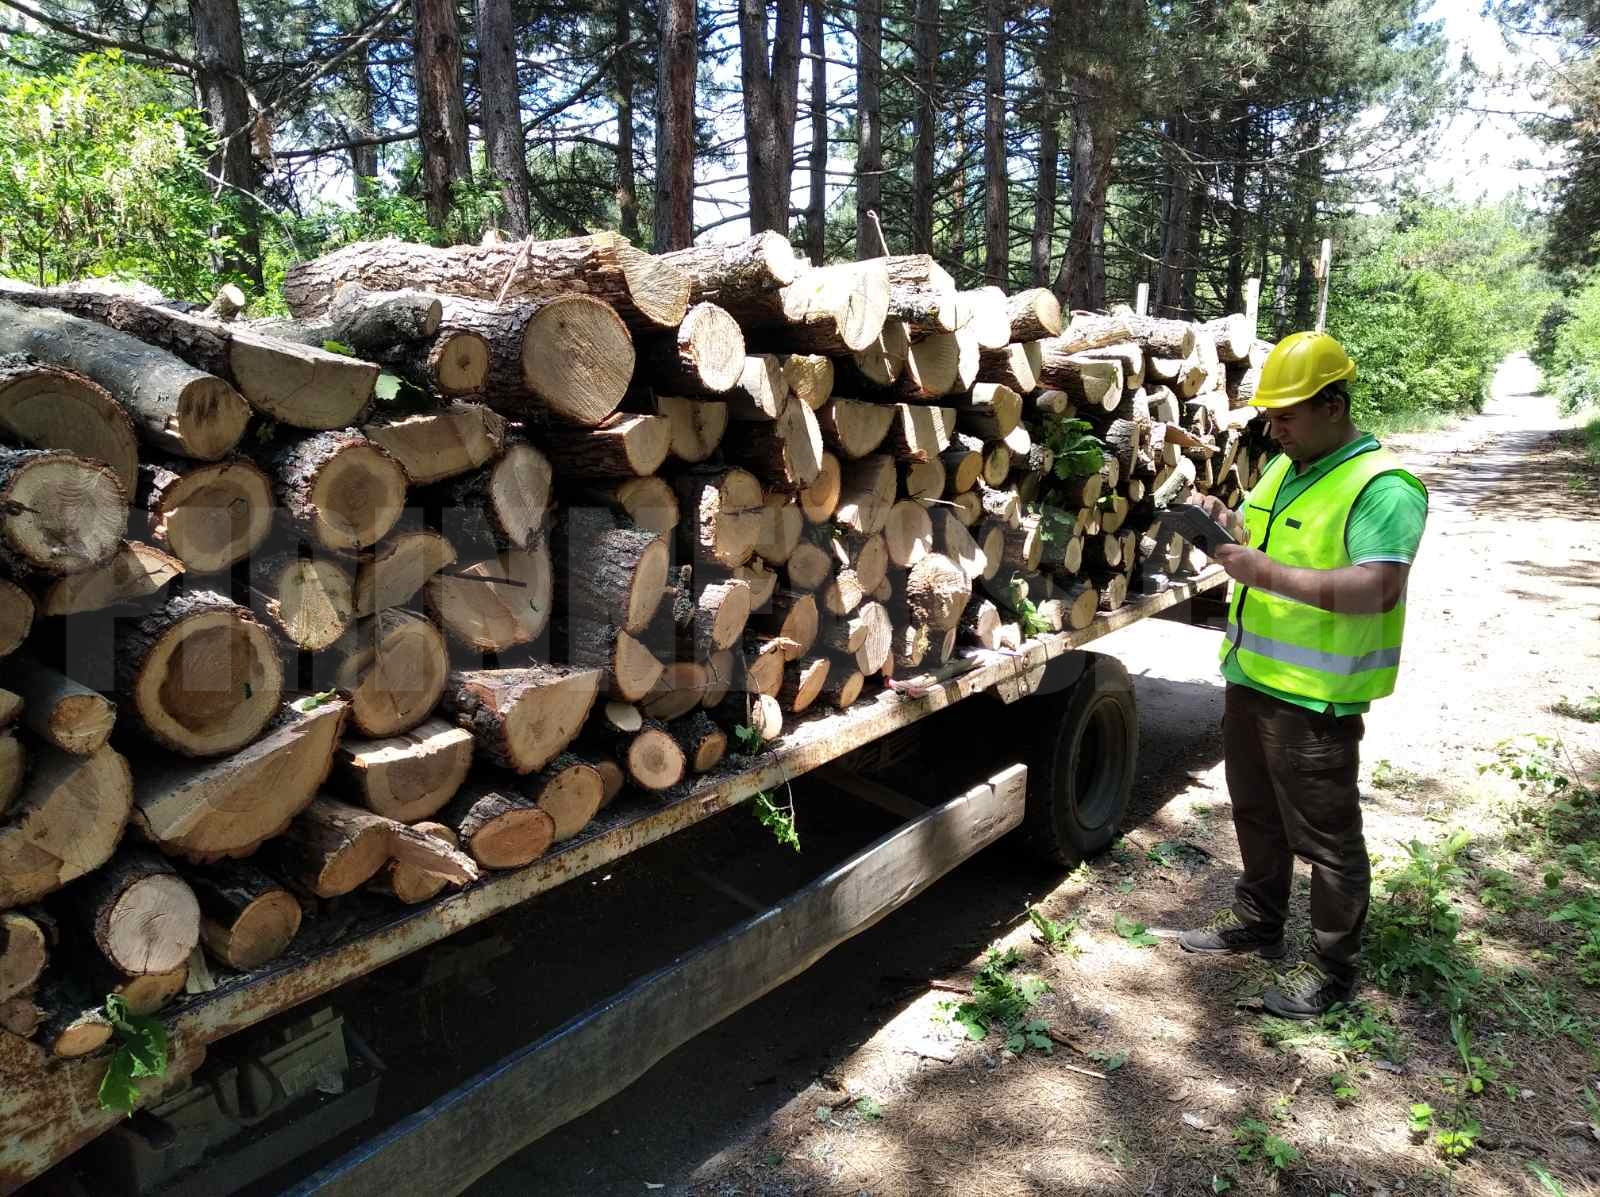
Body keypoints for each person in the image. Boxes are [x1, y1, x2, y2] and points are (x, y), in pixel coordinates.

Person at [1176, 330, 1428, 1020]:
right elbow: (1268, 541)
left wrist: (1263, 572)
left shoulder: (1384, 486)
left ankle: (1331, 969)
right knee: (1254, 812)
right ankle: (1258, 923)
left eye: (1287, 414)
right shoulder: (1286, 466)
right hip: (1253, 676)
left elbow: (1377, 586)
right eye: (1270, 415)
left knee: (1325, 838)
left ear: (1335, 405)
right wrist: (1227, 528)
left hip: (1316, 696)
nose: (1273, 427)